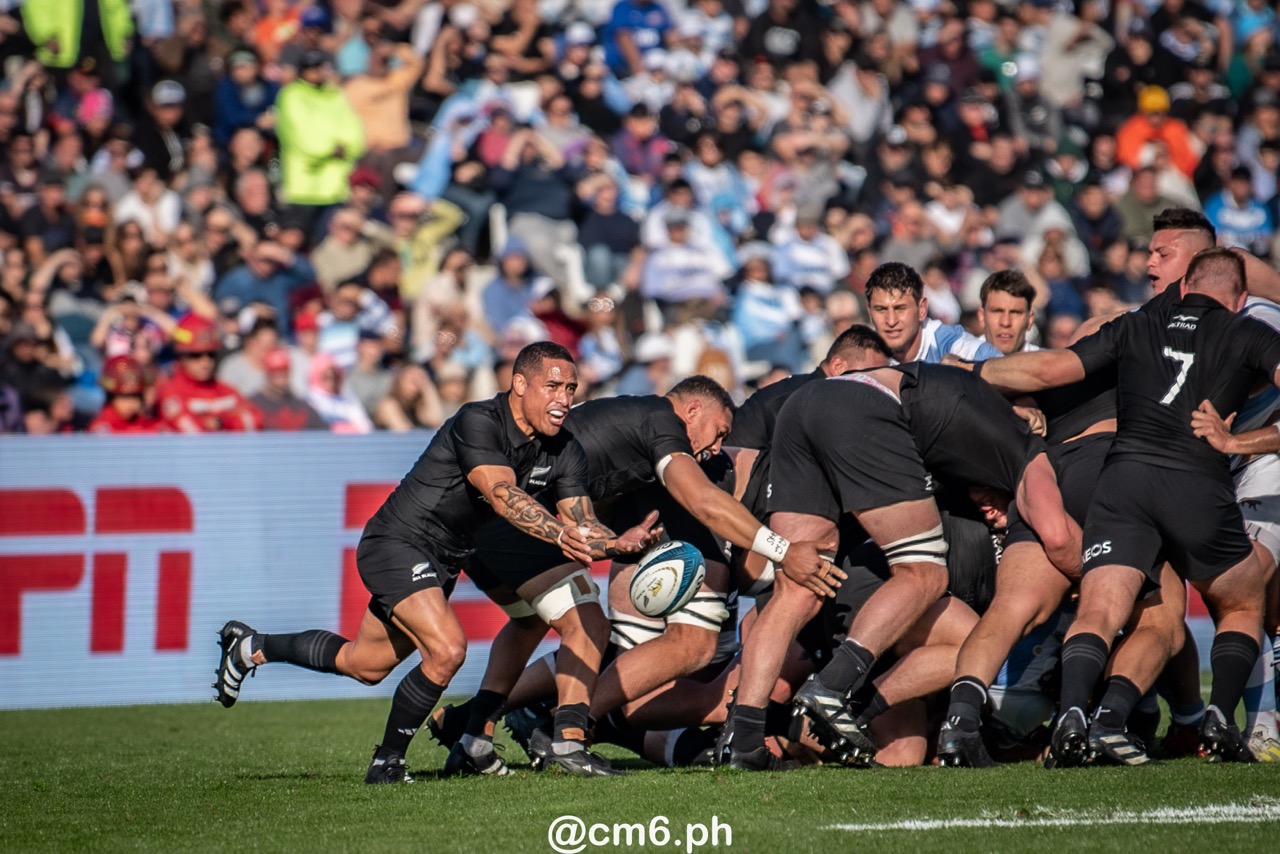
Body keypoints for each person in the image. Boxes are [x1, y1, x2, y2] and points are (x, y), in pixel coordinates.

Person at [213, 342, 659, 783]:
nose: (565, 399)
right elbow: (503, 496)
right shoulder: (479, 421)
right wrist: (563, 534)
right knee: (447, 650)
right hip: (397, 542)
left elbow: (581, 521)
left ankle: (253, 647)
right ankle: (387, 762)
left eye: (572, 388)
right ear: (519, 384)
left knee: (363, 664)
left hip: (444, 559)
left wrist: (617, 543)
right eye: (554, 386)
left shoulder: (564, 449)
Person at [430, 375, 829, 773]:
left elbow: (591, 496)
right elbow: (704, 501)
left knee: (561, 631)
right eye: (720, 432)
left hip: (488, 523)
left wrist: (617, 541)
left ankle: (473, 723)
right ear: (692, 410)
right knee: (688, 644)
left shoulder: (641, 424)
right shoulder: (663, 427)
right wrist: (786, 551)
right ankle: (565, 730)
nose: (717, 447)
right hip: (500, 521)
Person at [974, 248, 1280, 765]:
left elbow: (1053, 369)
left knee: (1099, 608)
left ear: (1184, 289)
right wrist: (1236, 444)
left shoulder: (1140, 321)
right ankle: (1219, 719)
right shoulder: (1248, 330)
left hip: (1124, 482)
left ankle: (1076, 717)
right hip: (1194, 481)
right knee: (1244, 602)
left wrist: (968, 371)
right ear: (1241, 298)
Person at [728, 362, 1078, 770]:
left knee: (797, 588)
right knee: (926, 575)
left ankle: (746, 738)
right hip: (860, 407)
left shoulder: (966, 413)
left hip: (807, 404)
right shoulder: (1031, 456)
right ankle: (836, 691)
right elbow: (1059, 537)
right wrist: (1104, 590)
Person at [865, 262, 1003, 364]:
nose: (891, 321)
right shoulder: (862, 353)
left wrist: (968, 370)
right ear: (869, 312)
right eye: (881, 309)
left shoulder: (952, 345)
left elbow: (1002, 369)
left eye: (900, 309)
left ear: (922, 309)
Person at [155, 313, 263, 433]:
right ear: (181, 357)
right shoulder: (170, 393)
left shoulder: (226, 390)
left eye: (211, 355)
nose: (206, 362)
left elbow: (254, 421)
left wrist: (220, 422)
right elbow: (190, 431)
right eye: (196, 355)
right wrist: (229, 419)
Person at [248, 347, 327, 431]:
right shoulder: (252, 405)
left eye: (284, 370)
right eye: (275, 371)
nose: (281, 375)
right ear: (267, 373)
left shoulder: (302, 407)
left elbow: (324, 433)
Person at [87, 355, 165, 433]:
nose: (130, 403)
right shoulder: (102, 430)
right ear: (111, 397)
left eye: (135, 396)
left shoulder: (153, 428)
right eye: (124, 397)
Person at [978, 270, 1039, 355]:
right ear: (981, 317)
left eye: (1015, 313)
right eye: (997, 311)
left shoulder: (1048, 366)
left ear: (1030, 320)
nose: (1005, 322)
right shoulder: (960, 361)